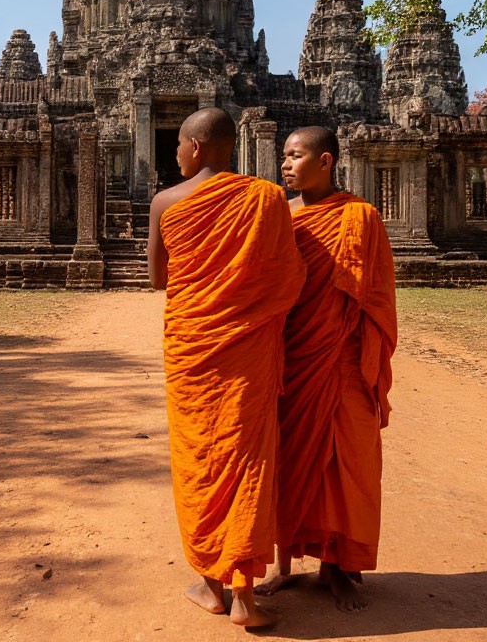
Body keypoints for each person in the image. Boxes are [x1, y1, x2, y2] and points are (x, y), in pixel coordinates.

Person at [147, 107, 305, 629]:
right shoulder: (266, 197)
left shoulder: (166, 202)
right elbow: (288, 277)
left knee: (200, 458)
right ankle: (245, 598)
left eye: (176, 148)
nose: (174, 154)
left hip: (195, 346)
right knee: (247, 457)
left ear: (192, 147)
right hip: (249, 349)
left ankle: (210, 586)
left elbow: (158, 279)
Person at [257, 125, 397, 611]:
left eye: (296, 156)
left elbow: (376, 296)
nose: (286, 165)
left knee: (348, 464)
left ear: (326, 161)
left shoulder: (361, 217)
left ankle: (335, 567)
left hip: (342, 359)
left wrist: (365, 352)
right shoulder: (276, 215)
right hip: (291, 354)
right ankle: (282, 563)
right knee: (287, 459)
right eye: (284, 157)